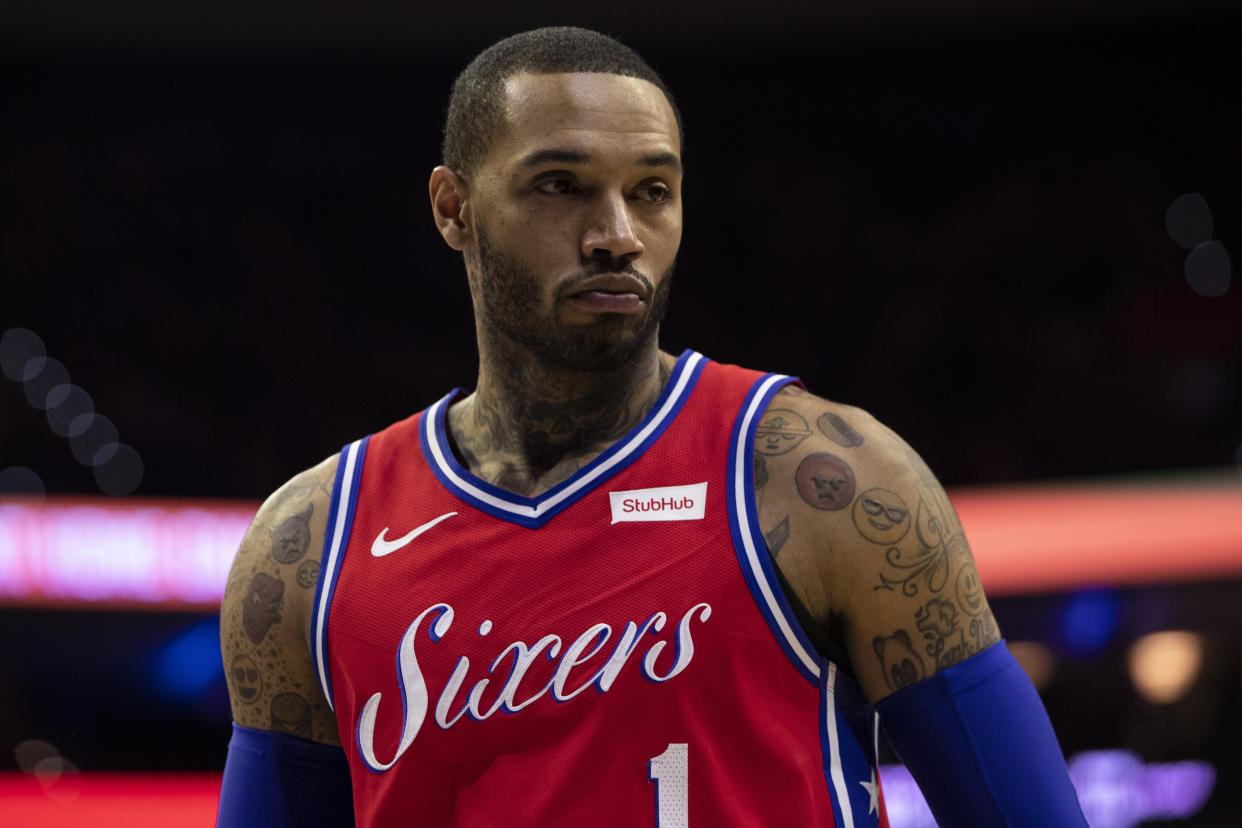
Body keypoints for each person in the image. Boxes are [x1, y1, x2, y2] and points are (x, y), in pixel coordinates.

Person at [217, 26, 1087, 827]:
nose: (616, 234)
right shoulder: (310, 545)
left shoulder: (824, 481)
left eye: (652, 191)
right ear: (454, 209)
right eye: (561, 187)